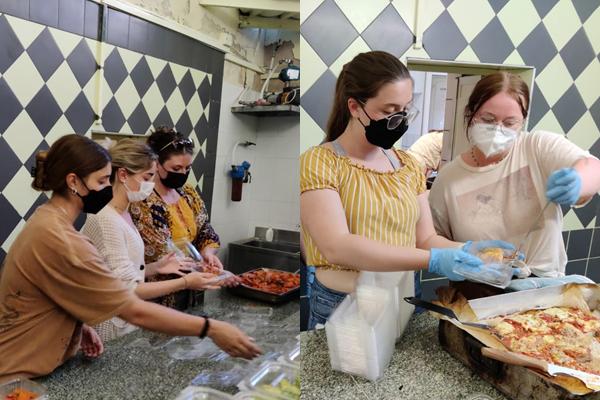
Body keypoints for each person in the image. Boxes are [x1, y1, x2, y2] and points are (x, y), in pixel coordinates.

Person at [0, 134, 260, 380]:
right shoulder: (63, 238)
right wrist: (210, 328)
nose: (107, 188)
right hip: (20, 372)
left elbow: (53, 290)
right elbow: (132, 309)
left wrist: (77, 327)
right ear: (73, 182)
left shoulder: (46, 220)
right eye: (102, 181)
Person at [299, 51, 517, 329]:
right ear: (354, 107)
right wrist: (434, 260)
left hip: (402, 298)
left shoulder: (407, 165)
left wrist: (472, 252)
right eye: (388, 111)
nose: (399, 119)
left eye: (404, 109)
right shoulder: (319, 162)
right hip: (344, 304)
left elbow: (425, 238)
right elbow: (336, 247)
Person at [429, 72, 600, 278]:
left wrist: (580, 181)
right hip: (479, 287)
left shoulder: (536, 147)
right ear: (471, 114)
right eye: (488, 119)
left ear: (522, 121)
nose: (498, 129)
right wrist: (471, 251)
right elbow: (432, 240)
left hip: (542, 286)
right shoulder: (449, 179)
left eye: (510, 123)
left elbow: (593, 167)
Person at [82, 139, 223, 342]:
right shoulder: (105, 219)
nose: (150, 184)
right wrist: (184, 282)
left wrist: (156, 267)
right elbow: (127, 289)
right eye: (147, 177)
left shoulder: (125, 212)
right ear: (122, 175)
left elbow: (120, 272)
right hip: (110, 325)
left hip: (126, 320)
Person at [131, 127, 237, 310]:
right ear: (156, 164)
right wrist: (207, 270)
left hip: (189, 289)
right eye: (176, 168)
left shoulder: (187, 193)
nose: (182, 173)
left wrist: (208, 255)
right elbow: (161, 249)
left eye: (188, 168)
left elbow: (205, 229)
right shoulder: (143, 199)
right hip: (153, 293)